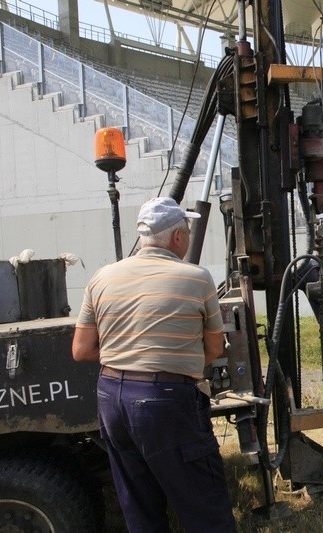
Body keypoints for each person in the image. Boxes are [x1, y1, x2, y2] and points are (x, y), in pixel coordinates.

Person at [72, 197, 238, 532]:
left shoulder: (102, 277)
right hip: (166, 400)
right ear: (177, 237)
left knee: (140, 506)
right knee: (205, 507)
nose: (188, 237)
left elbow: (81, 350)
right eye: (187, 230)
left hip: (112, 400)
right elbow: (215, 347)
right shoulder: (196, 278)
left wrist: (128, 361)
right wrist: (175, 363)